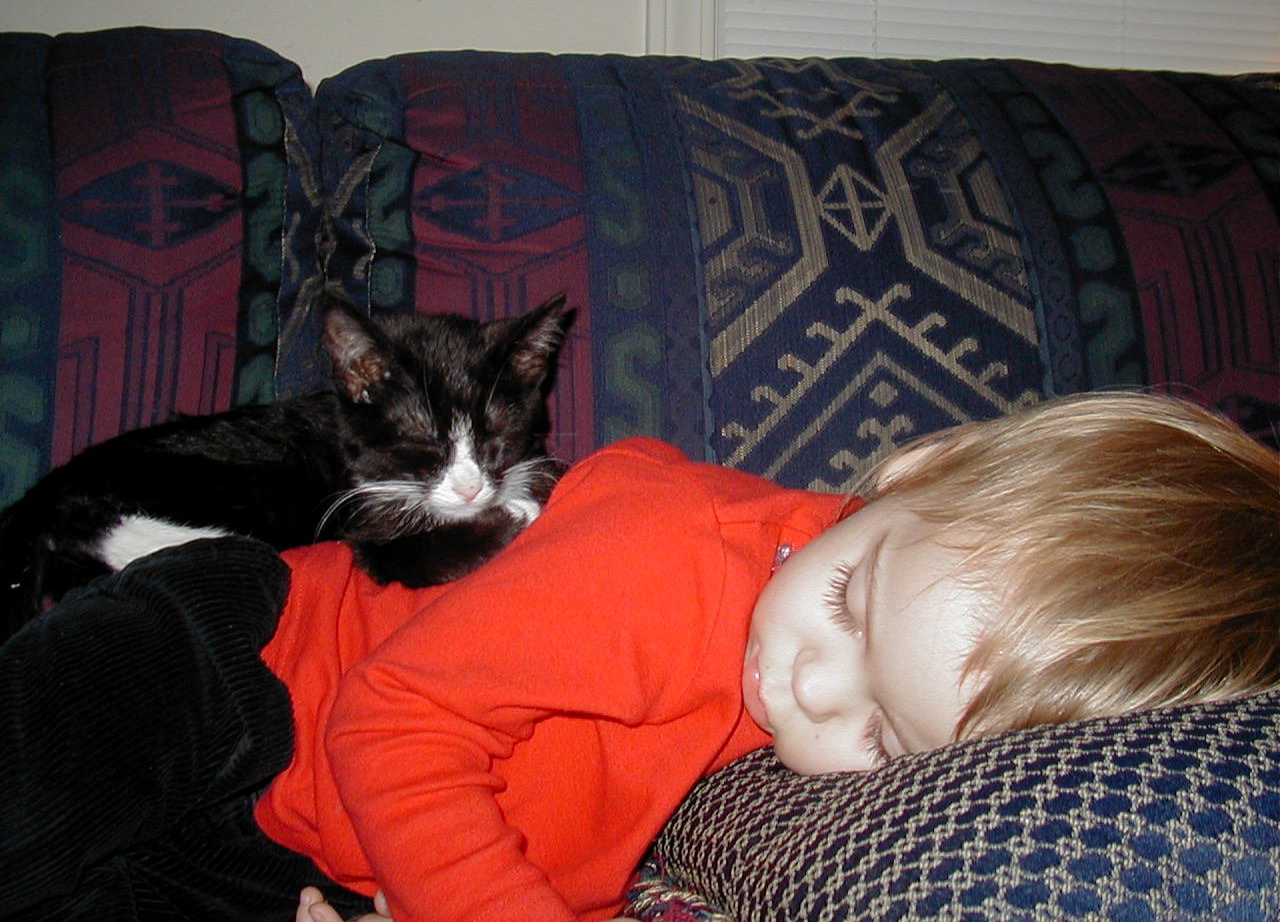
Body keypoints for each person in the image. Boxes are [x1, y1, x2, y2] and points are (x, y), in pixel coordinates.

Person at [2, 392, 1277, 922]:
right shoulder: (675, 558)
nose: (808, 689)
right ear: (917, 470)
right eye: (848, 603)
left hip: (292, 842)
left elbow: (581, 814)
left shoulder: (813, 658)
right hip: (244, 663)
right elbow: (397, 718)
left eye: (883, 735)